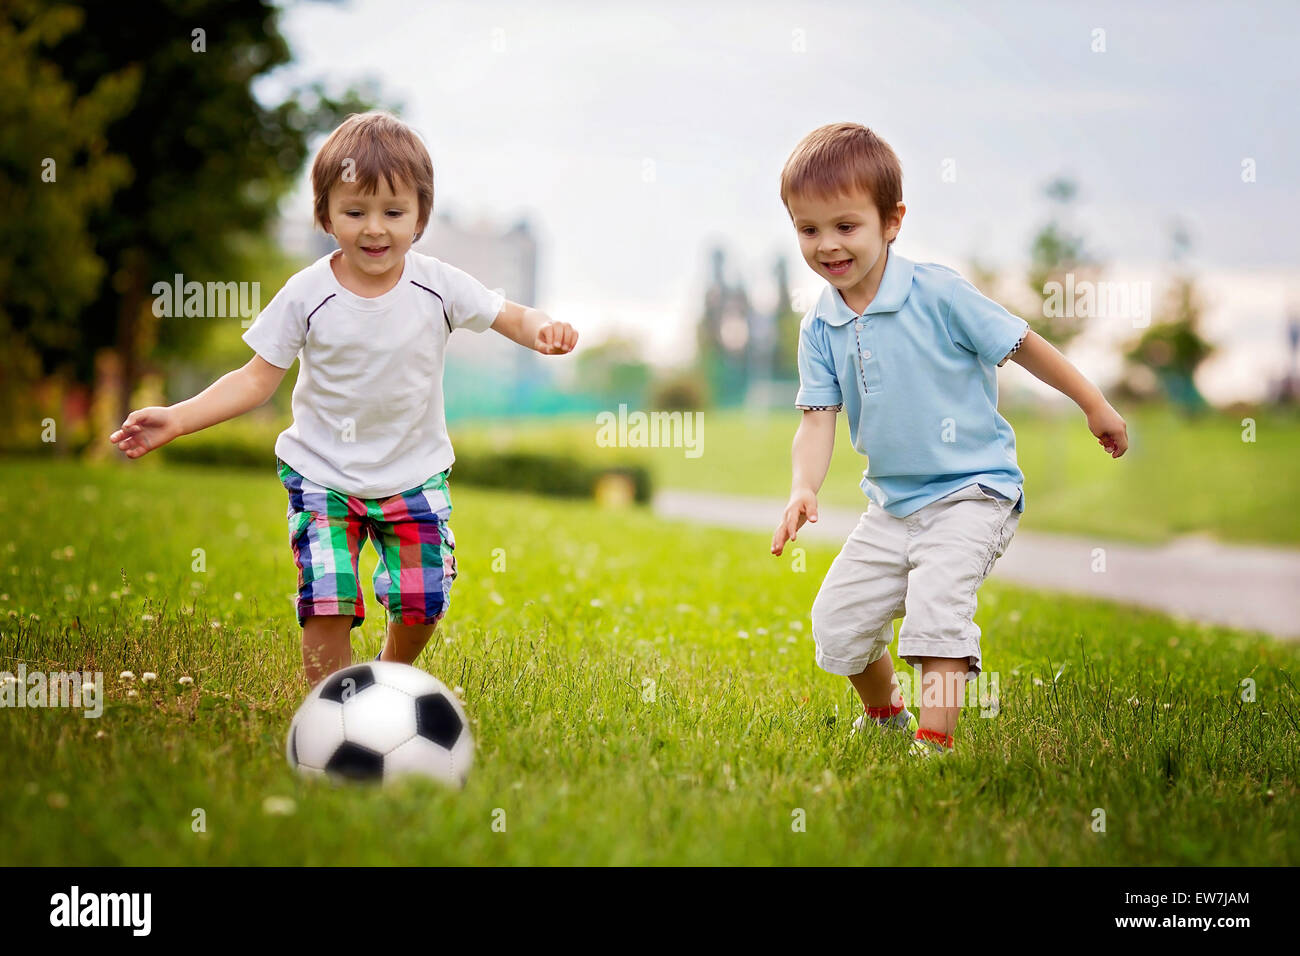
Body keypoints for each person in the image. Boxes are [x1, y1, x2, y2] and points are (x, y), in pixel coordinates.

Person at [110, 111, 577, 686]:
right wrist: (177, 419)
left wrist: (543, 330)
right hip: (323, 474)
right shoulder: (307, 293)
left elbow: (511, 315)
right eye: (355, 212)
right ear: (326, 215)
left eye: (393, 212)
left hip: (414, 475)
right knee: (327, 599)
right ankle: (329, 711)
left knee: (422, 600)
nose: (374, 229)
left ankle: (387, 681)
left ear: (421, 218)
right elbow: (257, 379)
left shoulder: (438, 284)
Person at [769, 122, 1128, 756]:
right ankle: (886, 716)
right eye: (808, 229)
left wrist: (1093, 403)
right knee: (839, 624)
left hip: (973, 492)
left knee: (937, 613)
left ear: (892, 221)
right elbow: (818, 417)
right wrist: (804, 486)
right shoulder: (820, 324)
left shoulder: (937, 293)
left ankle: (934, 746)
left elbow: (1023, 345)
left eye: (845, 226)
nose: (827, 245)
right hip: (892, 504)